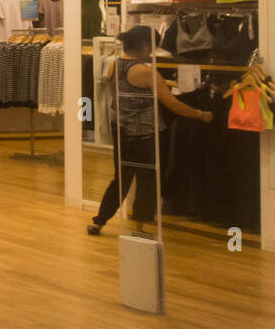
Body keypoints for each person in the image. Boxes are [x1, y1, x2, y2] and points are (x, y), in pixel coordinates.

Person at [87, 26, 213, 235]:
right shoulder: (145, 72)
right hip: (146, 135)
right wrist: (200, 114)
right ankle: (140, 227)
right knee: (148, 180)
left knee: (121, 179)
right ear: (145, 45)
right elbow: (172, 104)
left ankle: (99, 221)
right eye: (153, 46)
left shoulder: (115, 64)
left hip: (121, 131)